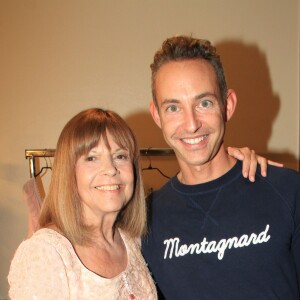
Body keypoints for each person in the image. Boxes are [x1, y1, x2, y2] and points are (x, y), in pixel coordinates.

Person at [142, 35, 300, 299]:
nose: (191, 124)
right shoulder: (145, 220)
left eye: (204, 103)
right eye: (173, 108)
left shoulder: (288, 190)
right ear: (157, 115)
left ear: (228, 105)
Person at [8, 108, 157, 299]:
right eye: (92, 158)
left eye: (120, 156)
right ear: (69, 172)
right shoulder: (46, 252)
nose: (110, 169)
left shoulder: (130, 241)